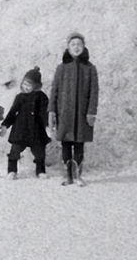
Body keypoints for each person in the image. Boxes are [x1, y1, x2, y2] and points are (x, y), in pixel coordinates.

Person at [49, 31, 99, 186]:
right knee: (65, 143)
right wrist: (52, 110)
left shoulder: (90, 68)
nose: (76, 47)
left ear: (83, 47)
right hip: (64, 113)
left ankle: (77, 175)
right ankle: (67, 175)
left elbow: (94, 91)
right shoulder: (62, 68)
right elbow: (54, 90)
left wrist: (91, 112)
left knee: (79, 144)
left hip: (82, 114)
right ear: (68, 47)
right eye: (73, 44)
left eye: (79, 44)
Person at [2, 66, 52, 180]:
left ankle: (40, 170)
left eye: (29, 85)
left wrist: (47, 126)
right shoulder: (20, 97)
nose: (25, 87)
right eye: (24, 84)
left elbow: (45, 113)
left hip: (37, 130)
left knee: (40, 152)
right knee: (15, 151)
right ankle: (12, 170)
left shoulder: (42, 97)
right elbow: (13, 112)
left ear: (36, 86)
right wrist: (5, 125)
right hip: (21, 130)